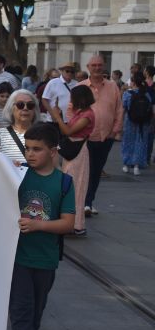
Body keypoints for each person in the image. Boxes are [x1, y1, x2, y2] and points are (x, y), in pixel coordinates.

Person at [8, 123, 75, 330]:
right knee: (22, 312)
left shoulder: (64, 182)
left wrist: (38, 225)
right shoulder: (18, 174)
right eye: (27, 148)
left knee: (35, 314)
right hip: (18, 259)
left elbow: (68, 223)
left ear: (53, 151)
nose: (29, 154)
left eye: (37, 149)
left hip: (46, 261)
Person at [80, 55, 123, 216]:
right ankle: (83, 202)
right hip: (85, 137)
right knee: (86, 170)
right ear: (88, 67)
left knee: (97, 170)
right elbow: (71, 109)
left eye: (100, 65)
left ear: (103, 66)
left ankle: (89, 202)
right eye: (94, 65)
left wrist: (115, 130)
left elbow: (119, 109)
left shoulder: (113, 87)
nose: (97, 68)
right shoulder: (82, 86)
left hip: (106, 137)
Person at [48, 85, 94, 236]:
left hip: (79, 152)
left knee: (77, 186)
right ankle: (70, 222)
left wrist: (57, 117)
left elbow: (67, 131)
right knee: (70, 185)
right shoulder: (80, 112)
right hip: (74, 150)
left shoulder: (87, 115)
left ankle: (77, 225)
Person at [0, 89, 41, 165]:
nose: (25, 108)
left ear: (34, 110)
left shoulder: (45, 134)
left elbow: (54, 165)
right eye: (20, 105)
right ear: (11, 108)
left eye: (30, 105)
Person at [121, 72, 153, 175]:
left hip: (130, 121)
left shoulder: (127, 94)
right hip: (143, 123)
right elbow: (150, 109)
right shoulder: (146, 94)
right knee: (140, 142)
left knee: (128, 142)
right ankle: (136, 166)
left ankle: (126, 164)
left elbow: (124, 108)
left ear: (133, 82)